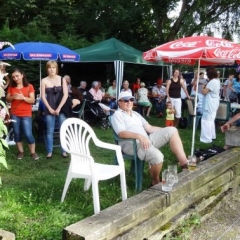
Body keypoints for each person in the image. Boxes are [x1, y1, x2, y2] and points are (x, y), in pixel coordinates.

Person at [111, 91, 189, 186]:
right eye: (126, 100)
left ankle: (185, 165)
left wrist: (166, 130)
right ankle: (155, 181)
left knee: (172, 130)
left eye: (131, 100)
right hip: (132, 144)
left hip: (146, 139)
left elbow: (149, 128)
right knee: (158, 157)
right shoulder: (117, 115)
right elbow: (121, 133)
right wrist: (139, 136)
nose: (129, 102)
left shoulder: (136, 114)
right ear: (119, 102)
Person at [6, 68, 39, 160]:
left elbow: (32, 100)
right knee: (17, 133)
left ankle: (33, 152)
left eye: (17, 76)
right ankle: (20, 152)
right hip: (15, 113)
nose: (15, 78)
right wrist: (13, 97)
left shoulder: (29, 86)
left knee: (28, 133)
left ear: (22, 75)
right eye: (13, 77)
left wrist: (23, 98)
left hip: (26, 114)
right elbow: (8, 99)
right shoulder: (11, 87)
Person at [41, 60, 68, 158]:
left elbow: (65, 94)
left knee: (63, 129)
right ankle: (49, 151)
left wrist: (59, 107)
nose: (51, 69)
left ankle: (64, 150)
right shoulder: (44, 80)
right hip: (49, 108)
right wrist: (50, 109)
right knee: (50, 130)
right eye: (49, 67)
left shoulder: (62, 79)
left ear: (56, 68)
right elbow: (43, 96)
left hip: (61, 107)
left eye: (53, 67)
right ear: (47, 69)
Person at [200, 67, 220, 143]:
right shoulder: (217, 81)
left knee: (206, 121)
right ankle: (212, 135)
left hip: (209, 104)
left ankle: (206, 138)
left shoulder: (212, 82)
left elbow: (204, 92)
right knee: (211, 120)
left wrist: (203, 87)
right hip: (214, 103)